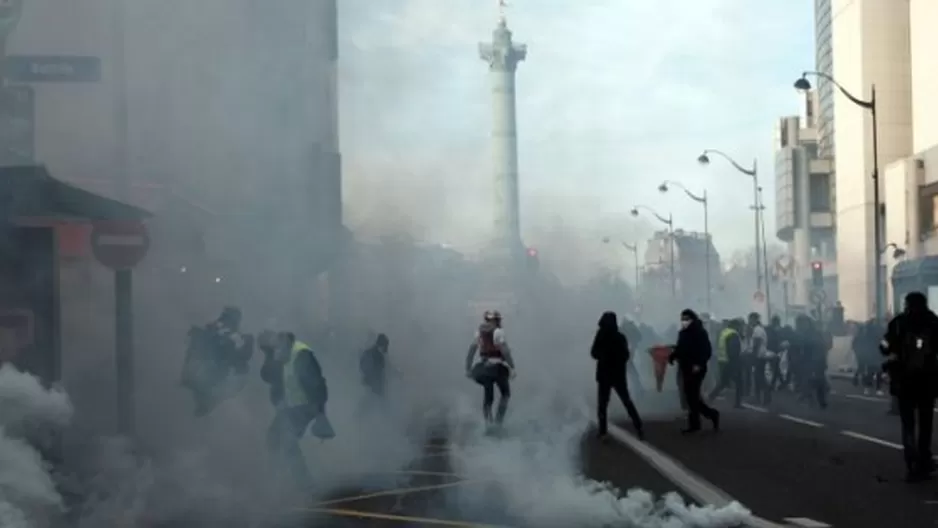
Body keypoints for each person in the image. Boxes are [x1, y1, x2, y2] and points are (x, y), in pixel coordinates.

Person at [881, 292, 938, 482]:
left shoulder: (898, 322)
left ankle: (911, 459)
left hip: (904, 381)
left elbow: (884, 346)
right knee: (926, 422)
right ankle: (924, 457)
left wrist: (889, 349)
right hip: (927, 381)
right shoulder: (933, 321)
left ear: (907, 304)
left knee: (908, 424)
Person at [265, 332, 332, 490]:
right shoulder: (285, 357)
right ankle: (281, 477)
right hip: (292, 407)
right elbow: (274, 381)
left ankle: (304, 485)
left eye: (277, 348)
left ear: (286, 342)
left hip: (306, 406)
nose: (275, 352)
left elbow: (318, 384)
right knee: (274, 436)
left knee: (287, 439)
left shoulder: (302, 356)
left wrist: (320, 412)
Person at [591, 311, 644, 441]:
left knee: (602, 405)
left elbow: (594, 353)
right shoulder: (620, 337)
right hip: (618, 375)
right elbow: (626, 356)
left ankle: (602, 432)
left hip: (604, 375)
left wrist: (603, 358)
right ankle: (638, 426)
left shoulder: (600, 336)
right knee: (626, 401)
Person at [670, 309, 720, 434]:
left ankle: (698, 422)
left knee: (692, 396)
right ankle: (709, 416)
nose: (684, 321)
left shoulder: (700, 332)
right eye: (683, 318)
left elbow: (706, 350)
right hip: (685, 367)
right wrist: (673, 356)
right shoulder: (683, 333)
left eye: (687, 318)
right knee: (690, 397)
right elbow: (681, 348)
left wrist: (699, 364)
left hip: (697, 368)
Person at [466, 310, 516, 431]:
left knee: (488, 397)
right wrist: (512, 367)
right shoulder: (498, 332)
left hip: (483, 368)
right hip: (497, 368)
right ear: (495, 320)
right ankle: (498, 423)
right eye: (498, 319)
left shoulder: (479, 332)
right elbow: (505, 351)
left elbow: (472, 350)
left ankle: (488, 424)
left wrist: (468, 367)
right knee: (505, 394)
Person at [708, 318, 744, 408]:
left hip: (722, 360)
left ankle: (711, 396)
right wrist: (736, 362)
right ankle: (737, 403)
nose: (741, 328)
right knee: (739, 382)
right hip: (730, 362)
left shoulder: (724, 332)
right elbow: (733, 350)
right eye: (740, 326)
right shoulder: (733, 334)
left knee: (723, 382)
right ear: (736, 326)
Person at [747, 312, 771, 405]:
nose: (749, 322)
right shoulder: (758, 329)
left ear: (754, 319)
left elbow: (756, 344)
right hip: (760, 355)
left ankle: (766, 394)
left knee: (759, 377)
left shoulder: (757, 330)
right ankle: (759, 398)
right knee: (758, 377)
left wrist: (753, 356)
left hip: (759, 356)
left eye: (750, 319)